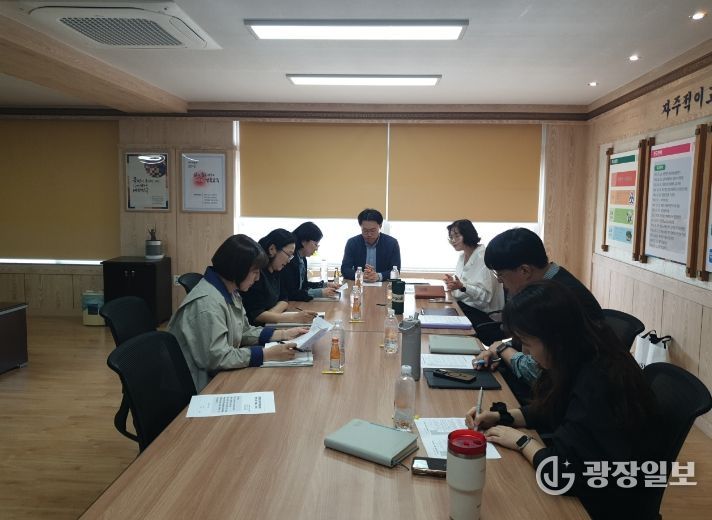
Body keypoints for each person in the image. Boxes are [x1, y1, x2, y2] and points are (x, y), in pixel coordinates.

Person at [465, 281, 660, 520]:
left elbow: (560, 473)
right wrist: (500, 417)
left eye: (528, 343)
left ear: (553, 337)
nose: (526, 352)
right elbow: (553, 407)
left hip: (604, 498)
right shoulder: (583, 349)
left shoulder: (598, 379)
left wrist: (522, 441)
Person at [168, 234, 308, 392]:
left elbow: (244, 331)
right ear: (238, 269)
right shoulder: (207, 304)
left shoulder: (231, 291)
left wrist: (284, 334)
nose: (257, 278)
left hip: (217, 375)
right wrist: (265, 354)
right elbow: (218, 358)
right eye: (255, 272)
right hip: (201, 386)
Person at [474, 227, 603, 391]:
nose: (499, 281)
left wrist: (501, 349)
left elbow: (539, 372)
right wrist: (498, 351)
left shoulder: (555, 299)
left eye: (500, 275)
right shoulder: (552, 283)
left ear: (524, 270)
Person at [241, 228, 318, 325]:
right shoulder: (256, 274)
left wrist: (270, 315)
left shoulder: (276, 271)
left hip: (270, 324)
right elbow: (256, 315)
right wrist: (293, 317)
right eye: (288, 254)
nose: (289, 260)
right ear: (272, 249)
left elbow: (284, 299)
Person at [443, 219, 504, 327]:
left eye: (457, 236)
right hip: (466, 306)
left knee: (446, 321)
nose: (453, 240)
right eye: (451, 237)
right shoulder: (462, 256)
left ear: (467, 234)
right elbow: (464, 281)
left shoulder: (483, 258)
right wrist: (453, 282)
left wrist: (462, 286)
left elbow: (486, 297)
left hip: (484, 314)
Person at [282, 221, 341, 301]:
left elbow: (304, 285)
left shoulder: (303, 259)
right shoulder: (289, 260)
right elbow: (291, 293)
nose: (316, 249)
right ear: (304, 241)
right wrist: (320, 292)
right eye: (315, 244)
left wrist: (325, 285)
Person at [340, 208, 401, 282]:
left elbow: (396, 270)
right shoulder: (352, 243)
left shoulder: (392, 243)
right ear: (360, 226)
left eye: (373, 230)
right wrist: (361, 275)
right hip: (359, 284)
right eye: (365, 230)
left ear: (380, 226)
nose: (369, 234)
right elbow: (345, 269)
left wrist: (378, 276)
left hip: (384, 285)